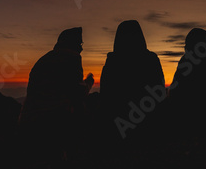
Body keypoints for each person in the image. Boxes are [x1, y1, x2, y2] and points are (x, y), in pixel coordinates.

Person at [19, 27, 94, 167]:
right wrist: (89, 83)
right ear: (72, 43)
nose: (81, 48)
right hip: (52, 124)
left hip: (28, 122)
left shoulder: (44, 59)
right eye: (80, 44)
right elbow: (77, 93)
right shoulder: (71, 57)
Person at [100, 20, 165, 141]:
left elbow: (106, 94)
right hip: (147, 124)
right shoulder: (151, 60)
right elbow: (159, 91)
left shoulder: (113, 62)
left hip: (118, 124)